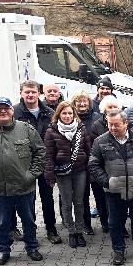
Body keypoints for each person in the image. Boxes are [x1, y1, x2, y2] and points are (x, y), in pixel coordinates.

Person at [0, 97, 46, 266]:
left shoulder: (26, 129)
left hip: (24, 186)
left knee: (28, 220)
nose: (3, 111)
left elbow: (40, 152)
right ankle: (3, 250)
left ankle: (32, 247)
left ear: (12, 110)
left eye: (6, 108)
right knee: (2, 222)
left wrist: (31, 174)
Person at [89, 110, 133, 265]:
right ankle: (118, 251)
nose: (112, 128)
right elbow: (93, 165)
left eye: (116, 125)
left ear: (126, 123)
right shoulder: (100, 141)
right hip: (113, 191)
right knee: (115, 222)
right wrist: (107, 182)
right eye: (109, 124)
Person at [14, 80, 62, 245]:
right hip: (23, 163)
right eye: (27, 92)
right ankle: (30, 231)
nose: (30, 95)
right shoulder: (14, 112)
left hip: (45, 162)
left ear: (39, 93)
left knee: (47, 198)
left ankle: (51, 229)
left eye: (33, 92)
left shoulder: (49, 113)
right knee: (28, 199)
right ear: (21, 93)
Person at [44, 101, 91, 248]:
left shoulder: (81, 129)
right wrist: (50, 175)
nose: (67, 116)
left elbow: (88, 150)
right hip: (62, 172)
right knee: (66, 203)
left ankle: (79, 231)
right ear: (58, 114)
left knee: (79, 202)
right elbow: (49, 156)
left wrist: (91, 170)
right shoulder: (51, 131)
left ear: (74, 114)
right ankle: (71, 232)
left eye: (70, 113)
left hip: (80, 171)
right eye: (64, 113)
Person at [88, 96, 122, 233]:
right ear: (103, 110)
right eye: (109, 107)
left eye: (115, 107)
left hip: (118, 168)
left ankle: (119, 226)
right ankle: (105, 223)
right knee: (101, 199)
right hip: (102, 168)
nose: (112, 109)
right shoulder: (96, 125)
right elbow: (93, 147)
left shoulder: (123, 122)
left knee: (118, 200)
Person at [71, 90, 97, 236]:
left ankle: (106, 222)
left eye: (84, 101)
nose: (81, 104)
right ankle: (85, 224)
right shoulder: (70, 119)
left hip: (95, 161)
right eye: (78, 101)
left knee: (100, 194)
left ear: (89, 102)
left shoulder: (96, 117)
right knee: (82, 196)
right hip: (79, 164)